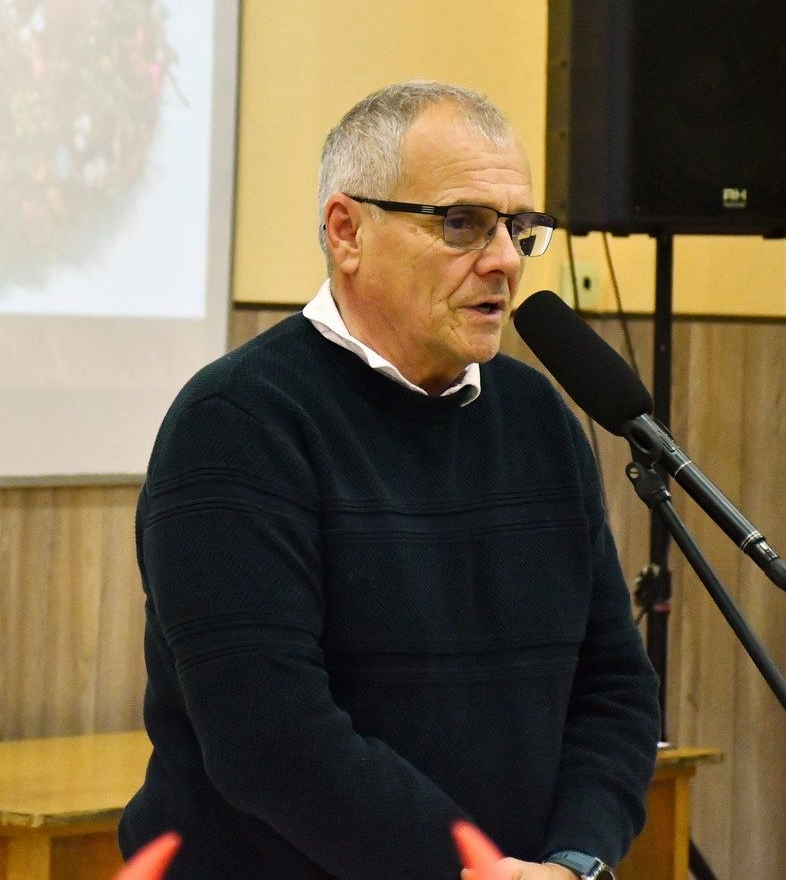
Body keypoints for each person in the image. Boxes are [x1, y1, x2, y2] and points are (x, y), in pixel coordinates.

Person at [119, 80, 660, 879]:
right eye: (462, 223)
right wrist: (474, 869)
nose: (506, 259)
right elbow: (269, 738)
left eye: (519, 227)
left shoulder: (539, 416)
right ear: (347, 232)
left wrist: (574, 860)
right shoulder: (236, 422)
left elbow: (613, 687)